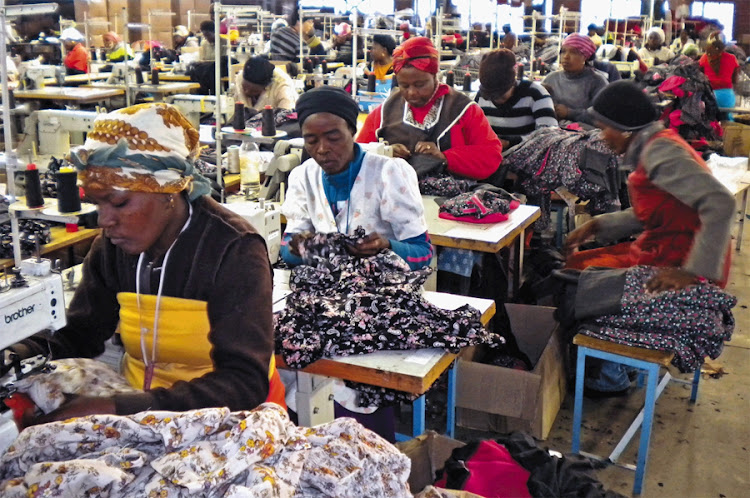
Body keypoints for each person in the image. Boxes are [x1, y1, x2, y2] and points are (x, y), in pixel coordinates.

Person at [8, 103, 285, 424]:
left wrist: (120, 407)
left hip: (231, 416)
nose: (104, 220)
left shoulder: (234, 250)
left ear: (168, 191)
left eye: (120, 202)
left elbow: (244, 382)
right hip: (139, 404)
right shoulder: (113, 248)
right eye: (98, 203)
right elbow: (80, 335)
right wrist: (17, 353)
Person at [565, 81, 734, 393]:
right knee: (579, 264)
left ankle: (611, 373)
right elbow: (657, 212)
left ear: (625, 128)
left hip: (682, 260)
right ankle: (617, 365)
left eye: (606, 129)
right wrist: (598, 225)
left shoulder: (661, 152)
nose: (603, 137)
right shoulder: (651, 147)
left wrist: (692, 272)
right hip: (666, 248)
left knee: (580, 287)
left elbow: (721, 202)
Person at [281, 86, 432, 271]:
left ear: (352, 131)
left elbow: (423, 253)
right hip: (330, 292)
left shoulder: (389, 174)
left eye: (333, 138)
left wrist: (387, 247)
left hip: (383, 291)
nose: (322, 149)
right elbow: (286, 250)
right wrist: (301, 249)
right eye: (311, 141)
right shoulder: (303, 177)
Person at [357, 37, 503, 181]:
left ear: (435, 76)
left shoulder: (463, 110)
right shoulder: (384, 113)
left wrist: (445, 157)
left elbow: (491, 156)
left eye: (420, 84)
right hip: (395, 197)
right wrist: (384, 152)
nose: (412, 92)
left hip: (452, 199)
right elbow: (356, 154)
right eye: (404, 86)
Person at [475, 48, 558, 148]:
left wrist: (510, 142)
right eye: (490, 96)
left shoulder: (536, 94)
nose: (495, 99)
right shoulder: (481, 97)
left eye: (500, 94)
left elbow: (550, 136)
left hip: (528, 158)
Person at [542, 33, 608, 125]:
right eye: (563, 51)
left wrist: (569, 113)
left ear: (585, 56)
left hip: (585, 133)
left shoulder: (597, 81)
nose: (566, 57)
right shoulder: (551, 78)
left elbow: (602, 117)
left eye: (573, 52)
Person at [699, 32, 740, 119]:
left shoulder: (703, 58)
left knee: (709, 122)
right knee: (727, 123)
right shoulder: (732, 59)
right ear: (724, 46)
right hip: (727, 98)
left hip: (709, 97)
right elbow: (735, 81)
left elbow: (700, 78)